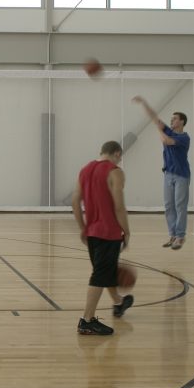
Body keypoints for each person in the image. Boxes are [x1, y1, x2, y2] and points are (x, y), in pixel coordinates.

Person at [71, 140, 133, 336]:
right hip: (109, 232)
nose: (119, 160)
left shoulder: (85, 170)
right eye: (120, 157)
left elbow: (75, 201)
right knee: (100, 275)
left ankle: (118, 302)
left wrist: (83, 228)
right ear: (117, 153)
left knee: (104, 270)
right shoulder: (115, 172)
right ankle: (87, 321)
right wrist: (126, 231)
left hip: (92, 232)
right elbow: (119, 207)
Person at [132, 96, 190, 250]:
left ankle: (180, 236)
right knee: (169, 206)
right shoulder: (169, 131)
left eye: (175, 118)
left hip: (181, 175)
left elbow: (166, 141)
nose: (172, 120)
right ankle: (173, 235)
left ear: (182, 122)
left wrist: (158, 129)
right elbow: (154, 117)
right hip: (168, 174)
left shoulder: (184, 138)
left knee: (180, 206)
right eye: (171, 118)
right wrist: (144, 103)